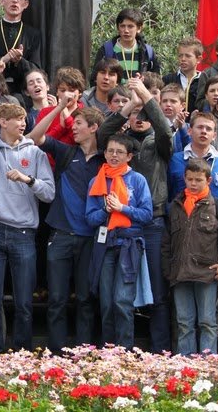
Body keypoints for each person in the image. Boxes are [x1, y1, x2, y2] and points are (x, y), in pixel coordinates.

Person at [0, 60, 55, 354]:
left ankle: (22, 352)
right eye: (17, 119)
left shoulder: (34, 152)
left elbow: (48, 193)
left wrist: (29, 179)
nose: (23, 123)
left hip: (24, 235)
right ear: (3, 123)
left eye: (24, 119)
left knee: (23, 302)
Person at [97, 76, 174, 352]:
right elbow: (104, 133)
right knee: (115, 296)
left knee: (156, 291)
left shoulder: (159, 144)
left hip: (151, 221)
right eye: (135, 115)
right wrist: (131, 104)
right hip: (117, 226)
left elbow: (166, 131)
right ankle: (115, 349)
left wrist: (148, 98)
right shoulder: (120, 144)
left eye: (144, 114)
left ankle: (159, 350)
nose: (139, 118)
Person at [26, 94, 104, 354]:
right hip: (59, 235)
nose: (73, 126)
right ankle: (56, 352)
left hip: (90, 238)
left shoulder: (106, 158)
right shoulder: (65, 150)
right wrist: (59, 107)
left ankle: (83, 352)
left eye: (79, 122)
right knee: (57, 299)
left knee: (85, 299)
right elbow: (34, 137)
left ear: (93, 128)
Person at [161, 158, 218, 355]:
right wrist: (168, 269)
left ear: (209, 181)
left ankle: (207, 365)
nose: (193, 184)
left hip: (207, 273)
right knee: (184, 323)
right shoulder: (176, 206)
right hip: (179, 273)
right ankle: (187, 367)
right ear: (184, 179)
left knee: (207, 322)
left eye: (198, 180)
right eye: (190, 179)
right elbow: (166, 241)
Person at [86, 133, 153, 348]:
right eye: (110, 151)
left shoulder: (137, 180)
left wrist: (122, 208)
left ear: (129, 156)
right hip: (105, 245)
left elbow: (147, 214)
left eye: (120, 152)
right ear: (104, 153)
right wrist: (106, 210)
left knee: (122, 301)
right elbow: (89, 218)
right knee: (106, 303)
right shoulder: (96, 181)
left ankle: (125, 352)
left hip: (129, 245)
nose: (114, 156)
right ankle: (108, 351)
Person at [168, 112, 218, 202]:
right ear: (189, 131)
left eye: (208, 129)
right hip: (181, 214)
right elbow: (167, 194)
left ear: (214, 136)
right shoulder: (175, 160)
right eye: (200, 127)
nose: (204, 131)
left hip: (213, 214)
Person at [93, 7, 161, 83]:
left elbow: (157, 82)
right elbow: (95, 79)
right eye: (122, 26)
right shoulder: (106, 50)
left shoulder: (147, 52)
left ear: (139, 28)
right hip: (114, 94)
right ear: (118, 28)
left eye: (130, 26)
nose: (126, 30)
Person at [36, 66, 86, 147]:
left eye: (71, 90)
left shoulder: (86, 114)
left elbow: (81, 142)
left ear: (79, 92)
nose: (66, 94)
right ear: (57, 92)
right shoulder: (45, 112)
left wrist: (68, 120)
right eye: (62, 90)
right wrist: (61, 127)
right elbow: (39, 141)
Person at [163, 37, 204, 113]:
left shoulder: (204, 81)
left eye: (188, 56)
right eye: (180, 55)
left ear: (199, 59)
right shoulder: (167, 80)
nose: (183, 59)